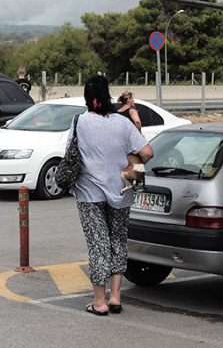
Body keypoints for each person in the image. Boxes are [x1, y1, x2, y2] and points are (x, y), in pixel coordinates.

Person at [67, 74, 154, 316]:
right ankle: (115, 298)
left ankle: (99, 302)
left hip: (89, 193)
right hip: (121, 191)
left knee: (98, 245)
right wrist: (128, 160)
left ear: (87, 97)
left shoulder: (79, 123)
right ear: (107, 96)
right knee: (117, 241)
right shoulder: (123, 123)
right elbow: (147, 152)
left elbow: (70, 154)